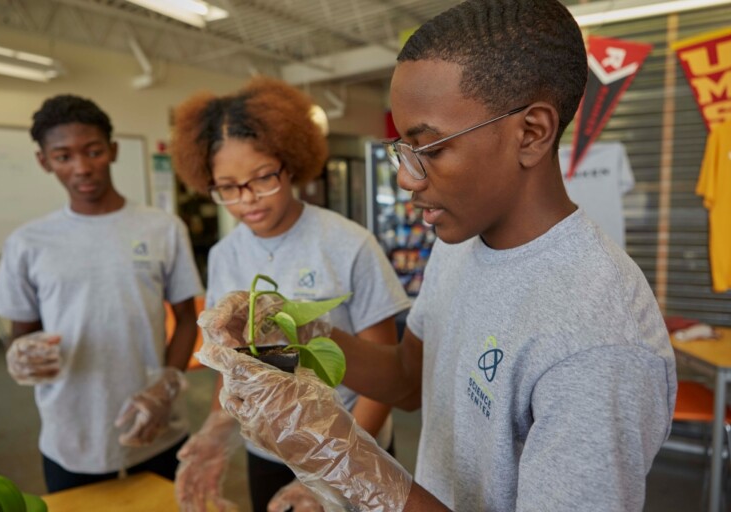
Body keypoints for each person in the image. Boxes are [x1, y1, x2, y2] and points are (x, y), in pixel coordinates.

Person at [197, 1, 678, 511]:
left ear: (532, 132)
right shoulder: (461, 243)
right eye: (402, 148)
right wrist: (297, 331)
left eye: (430, 148)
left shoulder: (598, 339)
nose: (406, 176)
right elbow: (409, 380)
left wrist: (349, 462)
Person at [169, 77, 410, 512]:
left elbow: (386, 380)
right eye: (228, 187)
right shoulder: (226, 254)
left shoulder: (347, 243)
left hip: (355, 445)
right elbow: (231, 363)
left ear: (291, 162)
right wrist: (215, 429)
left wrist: (334, 470)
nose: (248, 200)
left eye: (263, 178)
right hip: (269, 450)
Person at [0, 94, 204, 493]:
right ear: (44, 161)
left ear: (113, 150)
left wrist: (168, 383)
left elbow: (188, 320)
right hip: (72, 431)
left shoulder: (162, 228)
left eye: (93, 151)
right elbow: (23, 334)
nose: (82, 168)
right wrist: (22, 355)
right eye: (63, 156)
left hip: (157, 422)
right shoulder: (28, 243)